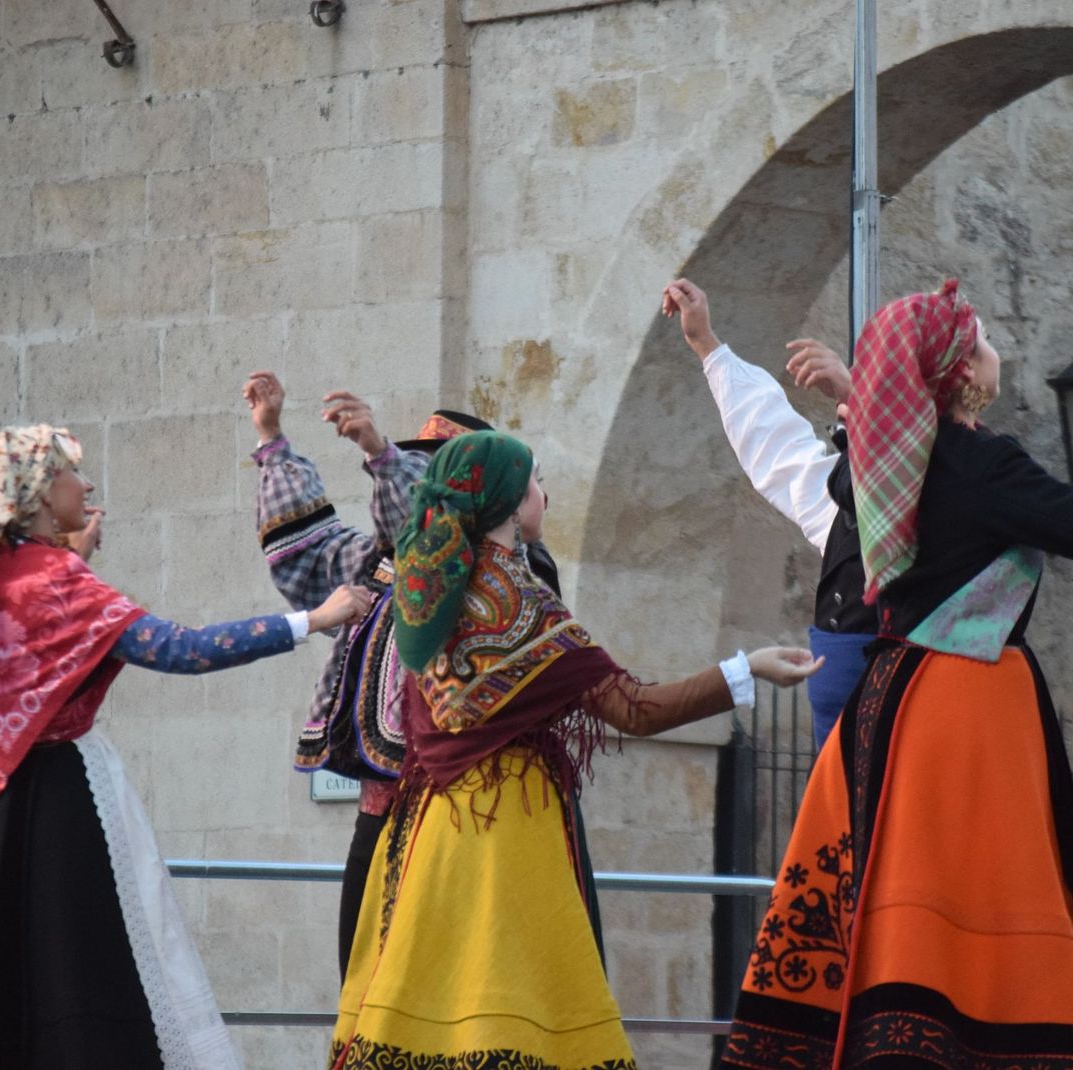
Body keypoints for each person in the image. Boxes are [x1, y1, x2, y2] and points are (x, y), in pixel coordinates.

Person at [720, 281, 1073, 1069]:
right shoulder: (982, 465)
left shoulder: (876, 462)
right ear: (961, 370)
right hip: (968, 706)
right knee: (986, 886)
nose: (996, 349)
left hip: (888, 703)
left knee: (896, 889)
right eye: (985, 339)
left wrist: (857, 395)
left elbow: (865, 452)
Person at [326, 430, 823, 1069]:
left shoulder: (432, 597)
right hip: (507, 839)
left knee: (433, 1013)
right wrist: (745, 668)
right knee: (514, 1013)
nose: (545, 494)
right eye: (535, 482)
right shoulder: (525, 607)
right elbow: (636, 709)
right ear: (511, 505)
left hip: (428, 837)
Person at [0, 426, 371, 1070]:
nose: (85, 484)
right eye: (70, 473)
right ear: (40, 493)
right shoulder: (55, 580)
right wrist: (312, 619)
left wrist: (71, 559)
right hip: (65, 801)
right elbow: (182, 649)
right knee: (88, 968)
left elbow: (41, 647)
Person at [243, 373, 575, 982]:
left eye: (436, 477)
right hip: (382, 812)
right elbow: (306, 551)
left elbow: (433, 545)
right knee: (368, 978)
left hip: (470, 820)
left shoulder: (514, 575)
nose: (543, 497)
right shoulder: (379, 564)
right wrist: (272, 442)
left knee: (454, 984)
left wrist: (379, 452)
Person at [662, 279, 865, 750]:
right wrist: (706, 344)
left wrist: (860, 396)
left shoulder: (958, 482)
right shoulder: (845, 504)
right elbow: (780, 450)